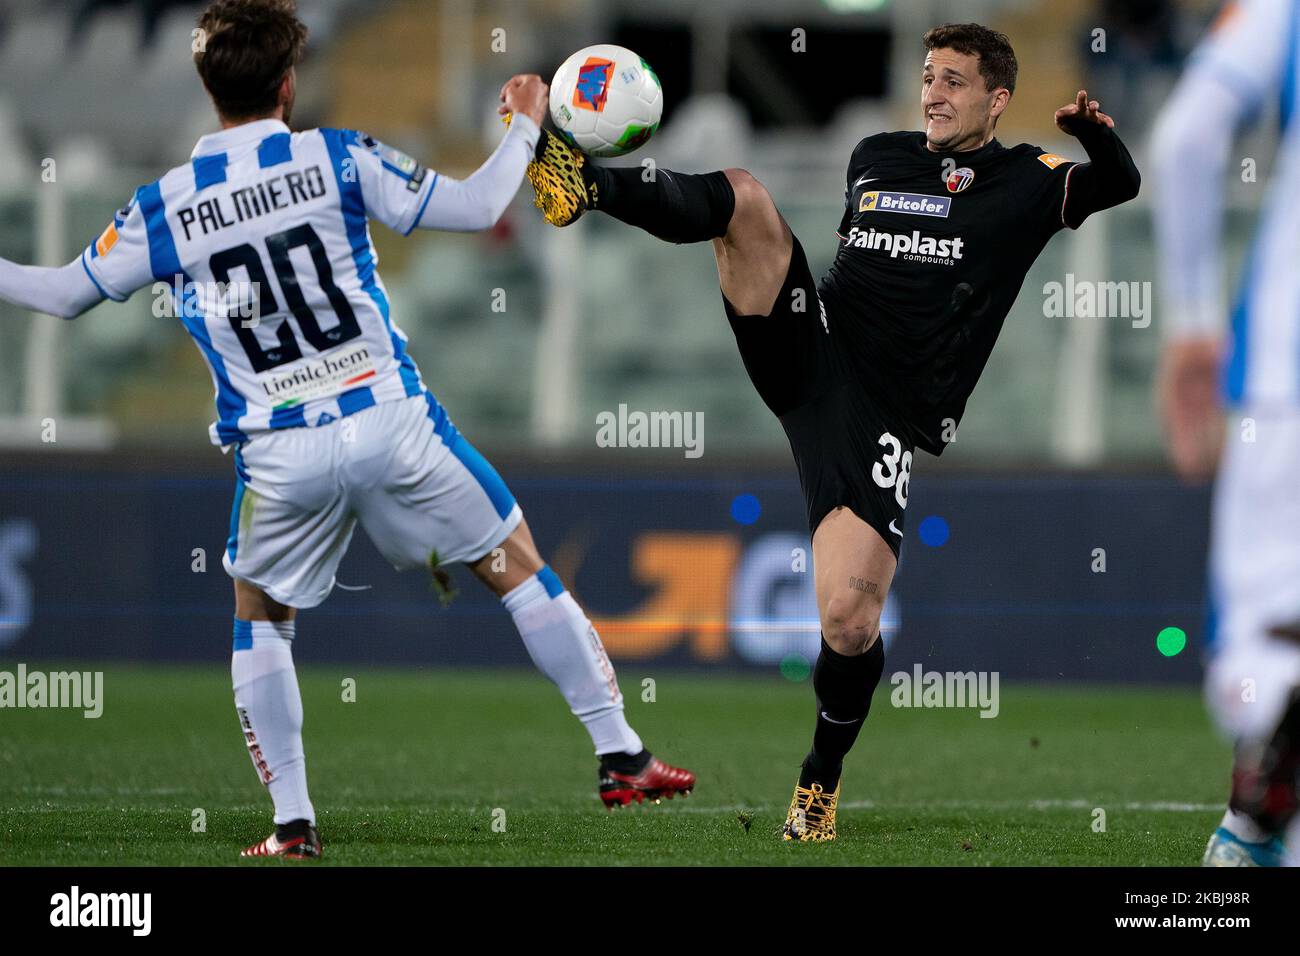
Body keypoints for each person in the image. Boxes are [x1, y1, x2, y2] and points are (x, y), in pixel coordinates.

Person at [0, 0, 694, 859]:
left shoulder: (164, 204)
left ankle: (294, 824)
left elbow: (63, 294)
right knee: (515, 567)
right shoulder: (336, 156)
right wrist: (522, 125)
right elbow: (481, 209)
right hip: (389, 417)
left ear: (206, 85)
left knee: (259, 613)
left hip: (277, 453)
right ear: (291, 85)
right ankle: (621, 755)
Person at [527, 21, 1139, 841]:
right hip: (812, 350)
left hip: (884, 412)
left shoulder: (1030, 178)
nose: (933, 92)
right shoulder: (876, 155)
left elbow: (1120, 184)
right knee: (742, 197)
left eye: (955, 81)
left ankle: (819, 779)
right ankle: (583, 186)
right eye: (928, 75)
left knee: (849, 623)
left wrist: (1098, 137)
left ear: (997, 100)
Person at [1151, 0, 1300, 867]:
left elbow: (1189, 137)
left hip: (1287, 377)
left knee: (1267, 665)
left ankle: (1253, 820)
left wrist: (1195, 323)